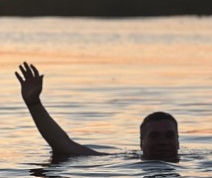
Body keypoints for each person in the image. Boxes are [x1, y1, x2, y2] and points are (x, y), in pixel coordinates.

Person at [16, 62, 179, 161]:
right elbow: (63, 145)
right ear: (141, 143)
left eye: (169, 136)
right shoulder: (118, 161)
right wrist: (34, 103)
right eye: (155, 136)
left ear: (178, 141)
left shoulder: (200, 162)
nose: (163, 142)